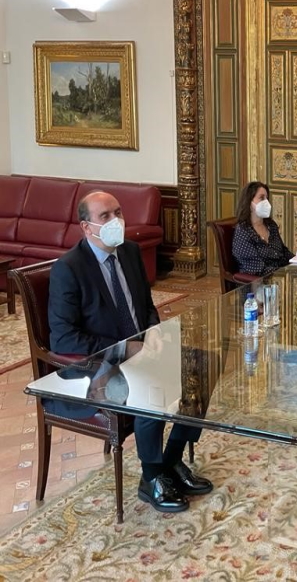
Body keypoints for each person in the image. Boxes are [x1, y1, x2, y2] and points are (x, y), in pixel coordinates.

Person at [48, 191, 212, 513]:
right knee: (151, 381)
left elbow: (146, 308)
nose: (116, 221)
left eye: (118, 212)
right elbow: (65, 339)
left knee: (202, 364)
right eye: (105, 216)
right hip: (96, 368)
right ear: (86, 226)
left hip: (141, 351)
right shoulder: (69, 269)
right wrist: (126, 349)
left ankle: (172, 460)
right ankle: (151, 478)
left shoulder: (131, 252)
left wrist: (154, 333)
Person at [232, 181, 294, 277]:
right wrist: (285, 272)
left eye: (267, 198)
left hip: (279, 279)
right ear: (249, 202)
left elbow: (284, 253)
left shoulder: (271, 225)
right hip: (256, 285)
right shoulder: (243, 231)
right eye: (261, 198)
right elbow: (257, 269)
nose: (266, 202)